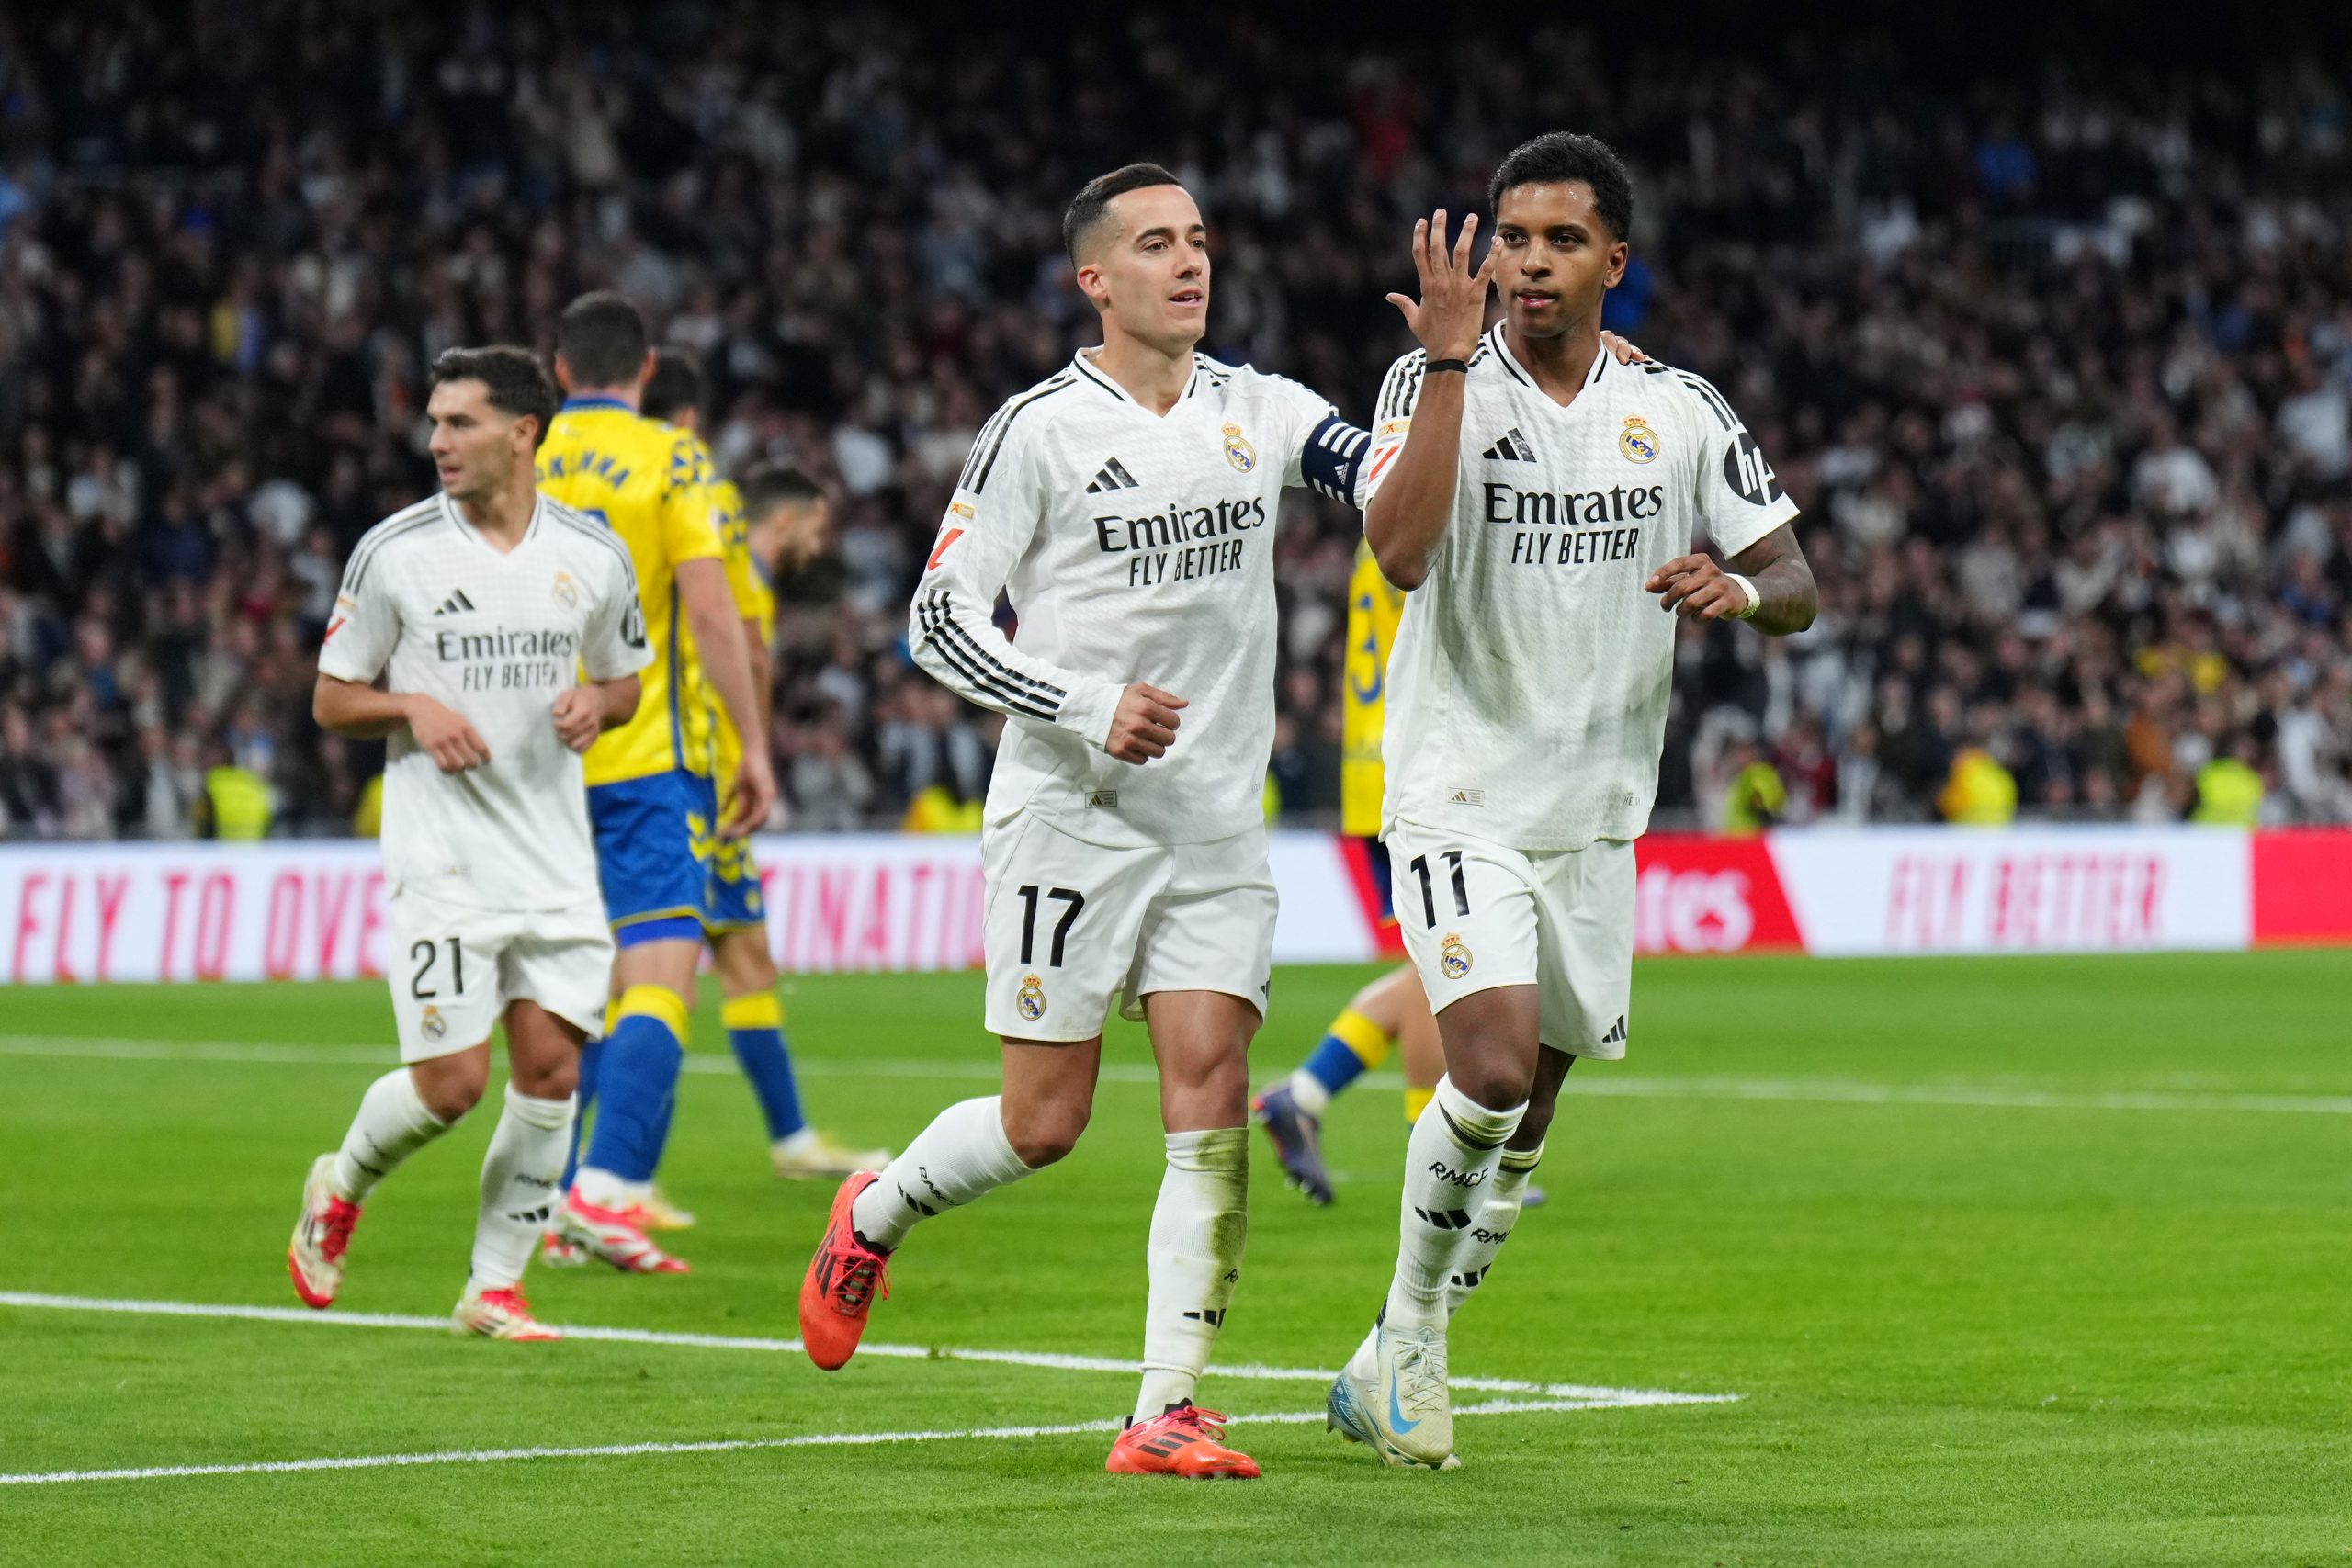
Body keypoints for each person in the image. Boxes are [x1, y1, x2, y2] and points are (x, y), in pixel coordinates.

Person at [796, 163, 1377, 1481]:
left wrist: (1485, 371)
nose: (1190, 264)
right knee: (1043, 1120)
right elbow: (938, 619)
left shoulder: (1263, 410)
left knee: (1211, 1092)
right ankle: (873, 1208)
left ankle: (1163, 1404)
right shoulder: (1037, 430)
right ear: (1095, 278)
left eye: (1201, 242)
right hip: (1076, 811)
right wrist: (1082, 700)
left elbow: (1382, 465)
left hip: (1216, 823)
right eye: (1157, 245)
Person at [1325, 132, 1817, 1471]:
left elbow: (1799, 582)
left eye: (1557, 239)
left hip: (1596, 810)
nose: (1528, 260)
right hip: (1457, 791)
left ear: (1614, 261)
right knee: (1481, 1069)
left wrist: (1741, 590)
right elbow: (1401, 550)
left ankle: (1382, 1356)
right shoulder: (1436, 382)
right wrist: (1438, 360)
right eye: (1510, 237)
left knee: (1525, 1129)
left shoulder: (1681, 409)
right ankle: (1414, 1338)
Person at [287, 346, 650, 1341]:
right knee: (452, 1086)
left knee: (551, 1074)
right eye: (436, 423)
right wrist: (412, 706)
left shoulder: (591, 552)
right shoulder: (397, 551)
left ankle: (493, 1287)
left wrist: (599, 703)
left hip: (553, 856)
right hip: (442, 857)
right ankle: (343, 1180)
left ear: (523, 433)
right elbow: (331, 698)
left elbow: (626, 676)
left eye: (460, 423)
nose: (437, 441)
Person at [534, 293, 777, 1275]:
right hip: (641, 757)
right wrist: (751, 746)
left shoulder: (520, 452)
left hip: (533, 764)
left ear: (557, 373)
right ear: (643, 372)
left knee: (567, 984)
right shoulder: (670, 458)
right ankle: (608, 1188)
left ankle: (552, 1197)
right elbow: (714, 614)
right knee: (665, 960)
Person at [638, 346, 891, 1181]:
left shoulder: (738, 569)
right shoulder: (726, 564)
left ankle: (789, 1138)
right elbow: (733, 659)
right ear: (784, 521)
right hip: (690, 780)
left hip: (709, 782)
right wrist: (749, 757)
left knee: (745, 956)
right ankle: (592, 1181)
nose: (821, 544)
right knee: (645, 973)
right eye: (816, 527)